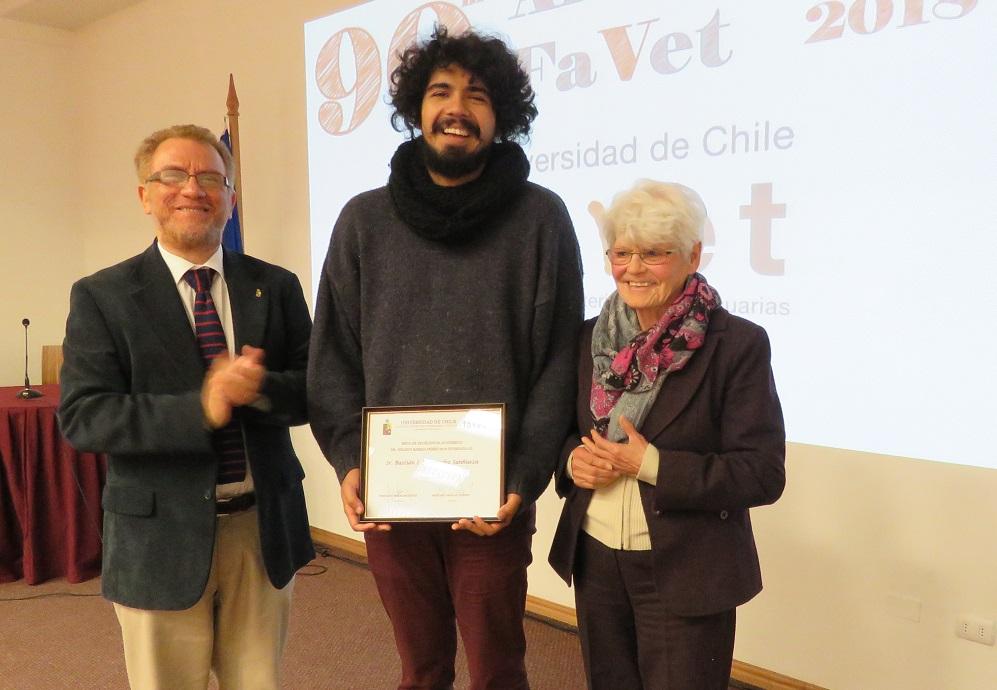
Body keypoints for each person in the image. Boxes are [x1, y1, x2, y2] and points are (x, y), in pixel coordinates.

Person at [308, 25, 584, 690]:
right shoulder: (362, 221)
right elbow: (332, 358)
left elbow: (558, 363)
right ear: (414, 107)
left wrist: (524, 475)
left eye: (477, 94)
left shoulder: (541, 219)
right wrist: (350, 458)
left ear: (502, 115)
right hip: (392, 499)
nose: (456, 106)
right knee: (421, 668)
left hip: (490, 501)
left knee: (497, 669)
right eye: (440, 91)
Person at [58, 124, 314, 690]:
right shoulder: (101, 296)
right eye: (172, 175)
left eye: (210, 178)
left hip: (260, 530)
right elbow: (84, 416)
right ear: (144, 196)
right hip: (157, 540)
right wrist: (202, 407)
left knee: (258, 683)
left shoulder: (275, 285)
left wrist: (259, 388)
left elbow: (313, 390)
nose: (192, 189)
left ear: (230, 195)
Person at [547, 180, 786, 690]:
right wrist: (572, 463)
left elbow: (762, 473)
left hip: (687, 568)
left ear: (693, 254)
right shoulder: (589, 337)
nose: (633, 268)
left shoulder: (737, 344)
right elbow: (567, 434)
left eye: (653, 253)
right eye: (622, 252)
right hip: (596, 559)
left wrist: (650, 464)